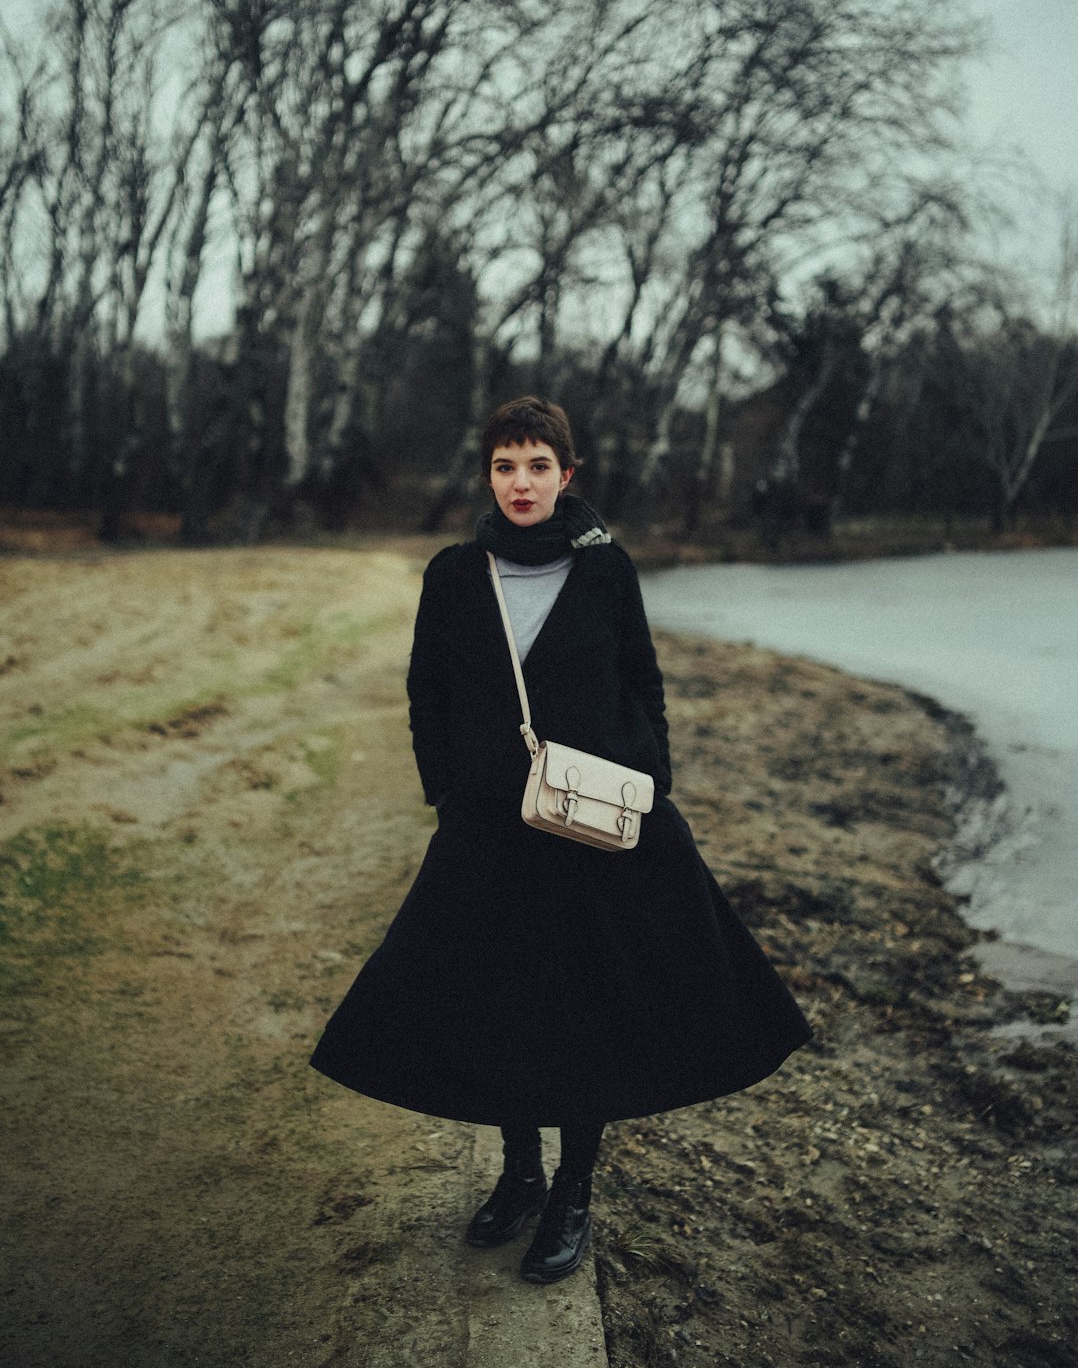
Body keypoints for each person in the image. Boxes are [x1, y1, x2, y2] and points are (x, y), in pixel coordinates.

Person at [310, 396, 811, 1285]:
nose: (521, 482)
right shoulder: (456, 574)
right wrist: (448, 795)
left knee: (588, 1009)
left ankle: (573, 1193)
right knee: (503, 1000)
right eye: (505, 466)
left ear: (567, 476)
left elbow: (643, 685)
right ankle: (520, 1175)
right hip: (490, 829)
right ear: (488, 476)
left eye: (538, 465)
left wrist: (650, 789)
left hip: (597, 830)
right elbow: (429, 694)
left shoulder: (608, 570)